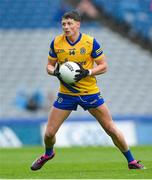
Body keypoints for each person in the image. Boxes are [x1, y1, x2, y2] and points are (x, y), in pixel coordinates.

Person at [31, 10, 144, 171]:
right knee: (49, 134)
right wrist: (55, 71)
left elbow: (104, 66)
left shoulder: (90, 42)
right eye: (64, 24)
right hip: (67, 94)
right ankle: (48, 154)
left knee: (110, 128)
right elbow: (49, 66)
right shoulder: (56, 42)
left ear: (78, 24)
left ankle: (131, 161)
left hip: (89, 93)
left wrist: (88, 72)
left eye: (70, 23)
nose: (66, 27)